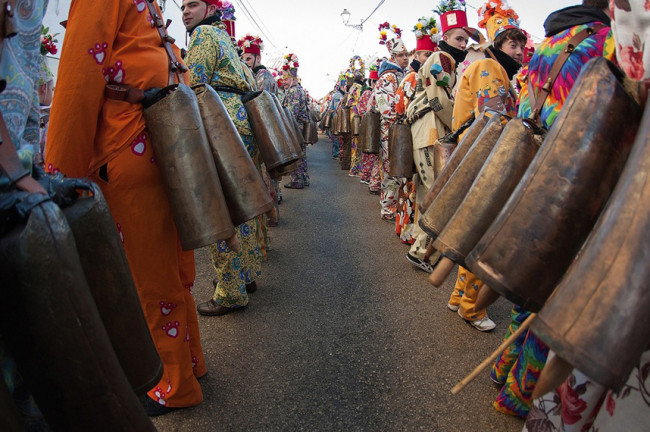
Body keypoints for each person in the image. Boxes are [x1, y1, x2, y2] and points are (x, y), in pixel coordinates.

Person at [46, 0, 206, 416]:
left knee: (146, 275)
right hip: (163, 140)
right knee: (169, 266)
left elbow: (79, 83)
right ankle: (189, 366)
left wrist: (59, 175)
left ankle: (172, 385)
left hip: (129, 143)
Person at [488, 0, 617, 420]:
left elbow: (528, 106)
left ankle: (503, 368)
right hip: (581, 177)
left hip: (539, 169)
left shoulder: (550, 43)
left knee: (536, 276)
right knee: (562, 291)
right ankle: (519, 394)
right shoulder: (611, 45)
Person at [447, 0, 526, 332]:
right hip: (486, 159)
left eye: (522, 44)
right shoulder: (490, 69)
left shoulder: (493, 68)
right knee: (484, 235)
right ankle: (470, 307)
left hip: (479, 157)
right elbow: (493, 121)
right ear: (498, 44)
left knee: (474, 229)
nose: (520, 50)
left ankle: (457, 297)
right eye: (513, 44)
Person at [183, 0, 263, 315]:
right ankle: (247, 273)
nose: (185, 11)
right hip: (244, 124)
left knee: (222, 208)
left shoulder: (203, 35)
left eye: (193, 4)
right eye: (183, 6)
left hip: (223, 125)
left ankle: (230, 291)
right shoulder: (226, 40)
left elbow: (193, 85)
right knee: (245, 203)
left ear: (210, 8)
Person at [405, 3, 471, 272]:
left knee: (427, 192)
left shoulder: (444, 59)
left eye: (466, 40)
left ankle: (421, 244)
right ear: (445, 38)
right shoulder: (441, 59)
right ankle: (421, 251)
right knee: (439, 193)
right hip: (431, 132)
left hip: (427, 131)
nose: (464, 44)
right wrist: (459, 125)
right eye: (459, 38)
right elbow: (438, 99)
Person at [393, 16, 441, 246]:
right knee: (414, 185)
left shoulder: (420, 75)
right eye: (424, 55)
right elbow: (401, 107)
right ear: (417, 56)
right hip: (413, 135)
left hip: (414, 134)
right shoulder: (413, 78)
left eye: (431, 55)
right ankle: (411, 232)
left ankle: (408, 230)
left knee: (415, 185)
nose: (428, 59)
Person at [237, 33, 281, 225]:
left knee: (265, 176)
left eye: (248, 58)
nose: (245, 62)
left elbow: (259, 106)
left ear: (258, 58)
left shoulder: (264, 77)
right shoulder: (256, 75)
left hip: (265, 129)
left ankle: (268, 219)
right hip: (263, 128)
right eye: (242, 59)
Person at [370, 23, 409, 221]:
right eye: (401, 55)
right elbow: (385, 108)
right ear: (393, 57)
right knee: (391, 170)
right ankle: (388, 207)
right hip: (390, 131)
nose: (405, 58)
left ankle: (395, 205)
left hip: (399, 129)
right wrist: (401, 116)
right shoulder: (387, 78)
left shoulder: (401, 75)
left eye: (406, 55)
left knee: (398, 169)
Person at [281, 53, 310, 189]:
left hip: (294, 126)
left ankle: (297, 180)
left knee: (296, 153)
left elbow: (291, 113)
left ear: (293, 78)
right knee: (301, 153)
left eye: (285, 79)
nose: (283, 82)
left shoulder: (294, 91)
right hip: (299, 126)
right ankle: (304, 177)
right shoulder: (299, 90)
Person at [360, 59, 382, 187]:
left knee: (369, 153)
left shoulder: (369, 92)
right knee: (371, 153)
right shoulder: (370, 92)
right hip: (371, 124)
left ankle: (367, 176)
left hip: (368, 124)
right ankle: (369, 177)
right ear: (373, 82)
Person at [345, 56, 366, 177]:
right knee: (357, 145)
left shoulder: (351, 88)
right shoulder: (358, 89)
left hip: (352, 117)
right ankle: (355, 169)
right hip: (357, 117)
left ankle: (354, 168)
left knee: (354, 144)